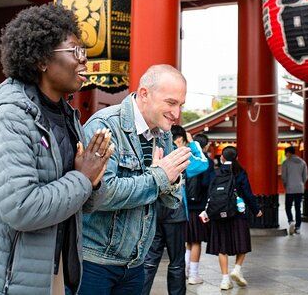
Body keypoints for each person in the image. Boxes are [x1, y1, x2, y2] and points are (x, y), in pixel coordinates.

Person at [0, 4, 113, 295]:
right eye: (75, 52)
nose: (84, 61)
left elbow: (84, 202)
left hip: (48, 270)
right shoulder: (13, 118)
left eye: (84, 52)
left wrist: (96, 177)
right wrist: (82, 178)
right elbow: (21, 208)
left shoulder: (67, 117)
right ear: (41, 60)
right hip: (0, 276)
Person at [79, 65, 191, 295]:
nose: (176, 113)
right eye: (171, 103)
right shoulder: (105, 126)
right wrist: (160, 177)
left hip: (136, 262)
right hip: (95, 262)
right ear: (144, 94)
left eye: (180, 105)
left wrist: (171, 181)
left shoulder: (164, 134)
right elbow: (99, 195)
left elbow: (172, 202)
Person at [142, 125, 209, 294]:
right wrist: (192, 143)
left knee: (150, 261)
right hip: (176, 213)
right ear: (179, 139)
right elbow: (202, 164)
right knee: (177, 262)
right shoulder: (181, 157)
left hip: (154, 212)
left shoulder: (154, 151)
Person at [205, 146, 262, 290]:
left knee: (222, 247)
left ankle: (225, 280)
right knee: (242, 242)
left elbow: (210, 193)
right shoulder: (240, 173)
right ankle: (236, 269)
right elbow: (248, 193)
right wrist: (256, 210)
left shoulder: (216, 173)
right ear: (237, 158)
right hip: (237, 213)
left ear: (222, 158)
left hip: (219, 213)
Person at [185, 132, 213, 285]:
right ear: (206, 145)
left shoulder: (186, 159)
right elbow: (208, 184)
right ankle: (193, 275)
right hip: (200, 206)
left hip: (185, 205)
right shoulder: (206, 162)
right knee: (196, 241)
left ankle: (184, 270)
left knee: (188, 241)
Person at [281, 145, 308, 235]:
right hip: (300, 188)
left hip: (290, 188)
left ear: (288, 153)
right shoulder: (302, 162)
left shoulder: (286, 163)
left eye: (286, 153)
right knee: (298, 208)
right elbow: (305, 177)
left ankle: (291, 221)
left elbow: (284, 176)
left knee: (288, 207)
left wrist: (285, 184)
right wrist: (301, 183)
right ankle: (298, 227)